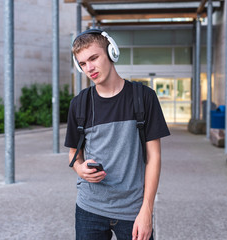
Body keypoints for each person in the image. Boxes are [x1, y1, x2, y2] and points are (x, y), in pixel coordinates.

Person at [65, 29, 170, 240]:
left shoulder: (144, 97)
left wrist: (146, 211)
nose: (89, 68)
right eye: (83, 64)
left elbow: (154, 158)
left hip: (133, 210)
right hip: (89, 209)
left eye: (94, 58)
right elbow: (74, 154)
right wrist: (80, 169)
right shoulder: (79, 104)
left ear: (112, 52)